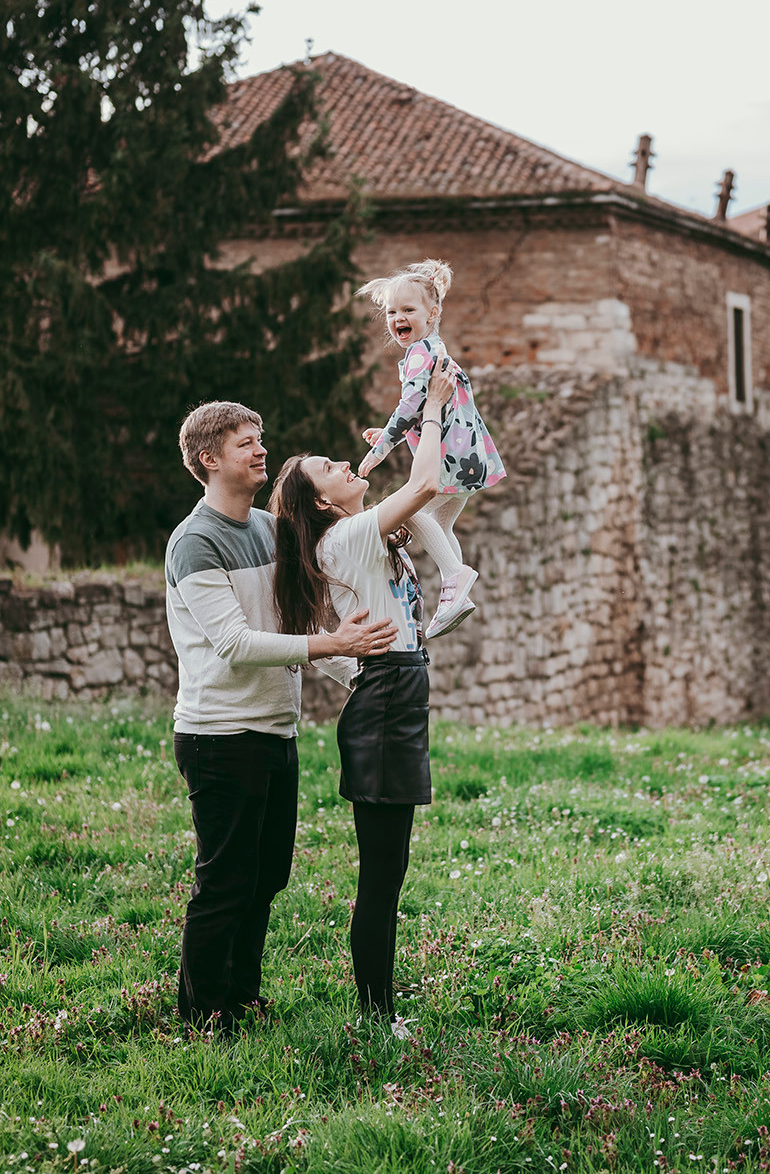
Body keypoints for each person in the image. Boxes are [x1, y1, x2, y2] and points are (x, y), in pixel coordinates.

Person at [165, 400, 399, 1036]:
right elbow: (236, 643)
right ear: (209, 460)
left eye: (260, 437)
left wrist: (366, 675)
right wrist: (335, 646)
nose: (261, 450)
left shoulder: (269, 531)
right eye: (245, 443)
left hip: (273, 730)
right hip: (219, 734)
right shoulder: (195, 542)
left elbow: (296, 621)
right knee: (225, 881)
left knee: (267, 877)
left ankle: (241, 994)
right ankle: (202, 1014)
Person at [272, 357, 459, 1022]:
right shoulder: (347, 535)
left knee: (390, 873)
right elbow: (429, 480)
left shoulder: (361, 538)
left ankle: (379, 1010)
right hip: (384, 707)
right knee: (381, 879)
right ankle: (377, 1020)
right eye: (328, 468)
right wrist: (431, 407)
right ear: (322, 502)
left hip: (392, 694)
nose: (346, 463)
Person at [354, 259, 504, 638]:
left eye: (408, 310)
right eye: (391, 312)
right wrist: (389, 429)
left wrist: (382, 448)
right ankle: (456, 593)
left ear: (432, 313)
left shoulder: (420, 353)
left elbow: (409, 408)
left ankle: (455, 575)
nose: (397, 318)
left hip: (449, 457)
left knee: (409, 510)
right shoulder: (433, 348)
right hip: (468, 454)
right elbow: (422, 407)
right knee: (441, 523)